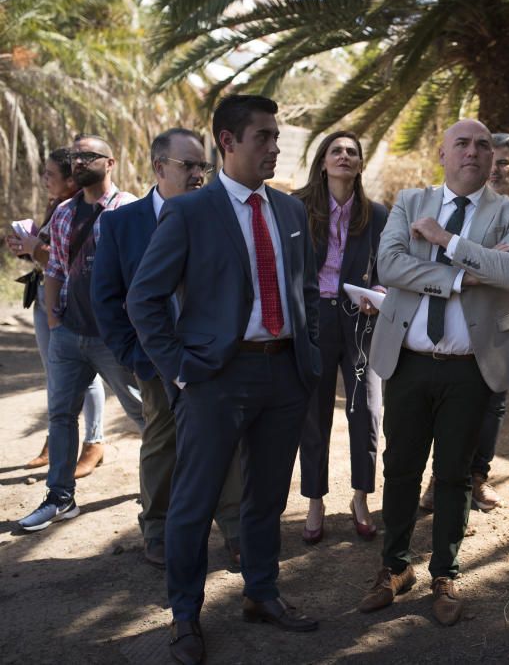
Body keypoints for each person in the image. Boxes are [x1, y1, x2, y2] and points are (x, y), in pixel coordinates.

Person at [127, 95, 322, 664]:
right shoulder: (190, 211)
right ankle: (185, 616)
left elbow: (305, 287)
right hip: (215, 377)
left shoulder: (288, 211)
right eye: (263, 136)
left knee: (267, 497)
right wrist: (181, 370)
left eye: (277, 135)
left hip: (284, 373)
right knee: (194, 501)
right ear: (228, 142)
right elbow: (145, 298)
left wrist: (305, 354)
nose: (275, 146)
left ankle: (262, 593)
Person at [358, 119, 509, 627]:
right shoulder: (409, 203)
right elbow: (390, 266)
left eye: (483, 145)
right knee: (400, 468)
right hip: (410, 364)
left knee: (455, 473)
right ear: (442, 153)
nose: (474, 152)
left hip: (470, 369)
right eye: (463, 143)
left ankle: (445, 572)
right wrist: (464, 275)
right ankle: (394, 569)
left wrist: (445, 241)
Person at [91, 128, 243, 570]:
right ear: (160, 168)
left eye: (203, 166)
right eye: (188, 166)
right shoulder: (122, 222)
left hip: (213, 357)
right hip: (156, 360)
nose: (199, 174)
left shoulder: (219, 215)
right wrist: (135, 357)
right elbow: (107, 297)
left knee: (226, 440)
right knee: (162, 441)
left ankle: (234, 527)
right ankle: (156, 529)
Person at [418, 132, 509, 514]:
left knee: (493, 404)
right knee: (449, 405)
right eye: (490, 160)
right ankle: (439, 479)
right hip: (461, 317)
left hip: (507, 322)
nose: (494, 168)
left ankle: (477, 477)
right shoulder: (469, 207)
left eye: (503, 162)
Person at [16, 135, 144, 533]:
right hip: (70, 334)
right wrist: (55, 323)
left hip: (114, 337)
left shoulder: (130, 209)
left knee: (147, 414)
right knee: (60, 416)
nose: (78, 161)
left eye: (87, 155)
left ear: (110, 162)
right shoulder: (66, 210)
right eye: (74, 156)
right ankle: (60, 497)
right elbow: (54, 267)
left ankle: (168, 489)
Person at [293, 131, 387, 544]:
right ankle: (315, 501)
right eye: (337, 150)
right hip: (314, 320)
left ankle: (361, 497)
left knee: (366, 408)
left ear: (360, 164)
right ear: (323, 160)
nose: (344, 156)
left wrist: (381, 293)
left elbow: (390, 266)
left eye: (352, 152)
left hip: (361, 319)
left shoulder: (378, 214)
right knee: (313, 414)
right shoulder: (296, 207)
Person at [6, 148, 106, 473]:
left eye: (50, 174)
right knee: (56, 375)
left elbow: (70, 264)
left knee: (85, 376)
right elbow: (49, 253)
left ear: (70, 180)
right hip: (45, 297)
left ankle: (94, 442)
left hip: (69, 304)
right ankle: (57, 440)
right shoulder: (60, 208)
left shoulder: (87, 211)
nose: (45, 179)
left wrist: (37, 249)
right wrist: (29, 247)